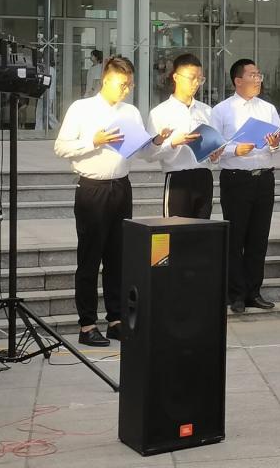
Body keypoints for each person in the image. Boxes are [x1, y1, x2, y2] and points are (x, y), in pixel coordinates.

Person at [54, 55, 172, 347]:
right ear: (105, 80)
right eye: (122, 84)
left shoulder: (130, 112)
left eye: (130, 84)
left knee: (118, 257)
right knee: (90, 258)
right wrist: (93, 141)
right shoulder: (82, 108)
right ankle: (87, 324)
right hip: (92, 189)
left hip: (121, 187)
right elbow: (61, 148)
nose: (126, 90)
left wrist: (156, 142)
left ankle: (116, 319)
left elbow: (142, 153)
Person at [211, 58, 280, 314]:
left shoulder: (268, 109)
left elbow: (278, 143)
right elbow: (213, 146)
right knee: (236, 238)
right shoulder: (221, 110)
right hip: (236, 179)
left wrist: (274, 144)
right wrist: (235, 150)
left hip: (264, 178)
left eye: (259, 74)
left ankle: (254, 291)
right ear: (238, 80)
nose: (258, 79)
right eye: (252, 75)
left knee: (258, 238)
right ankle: (236, 294)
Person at [147, 53, 219, 219]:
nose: (196, 83)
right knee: (176, 229)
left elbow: (213, 146)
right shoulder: (160, 112)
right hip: (178, 179)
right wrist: (173, 143)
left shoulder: (206, 111)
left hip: (204, 177)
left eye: (200, 79)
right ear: (176, 77)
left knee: (203, 229)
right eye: (192, 78)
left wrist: (215, 156)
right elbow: (149, 154)